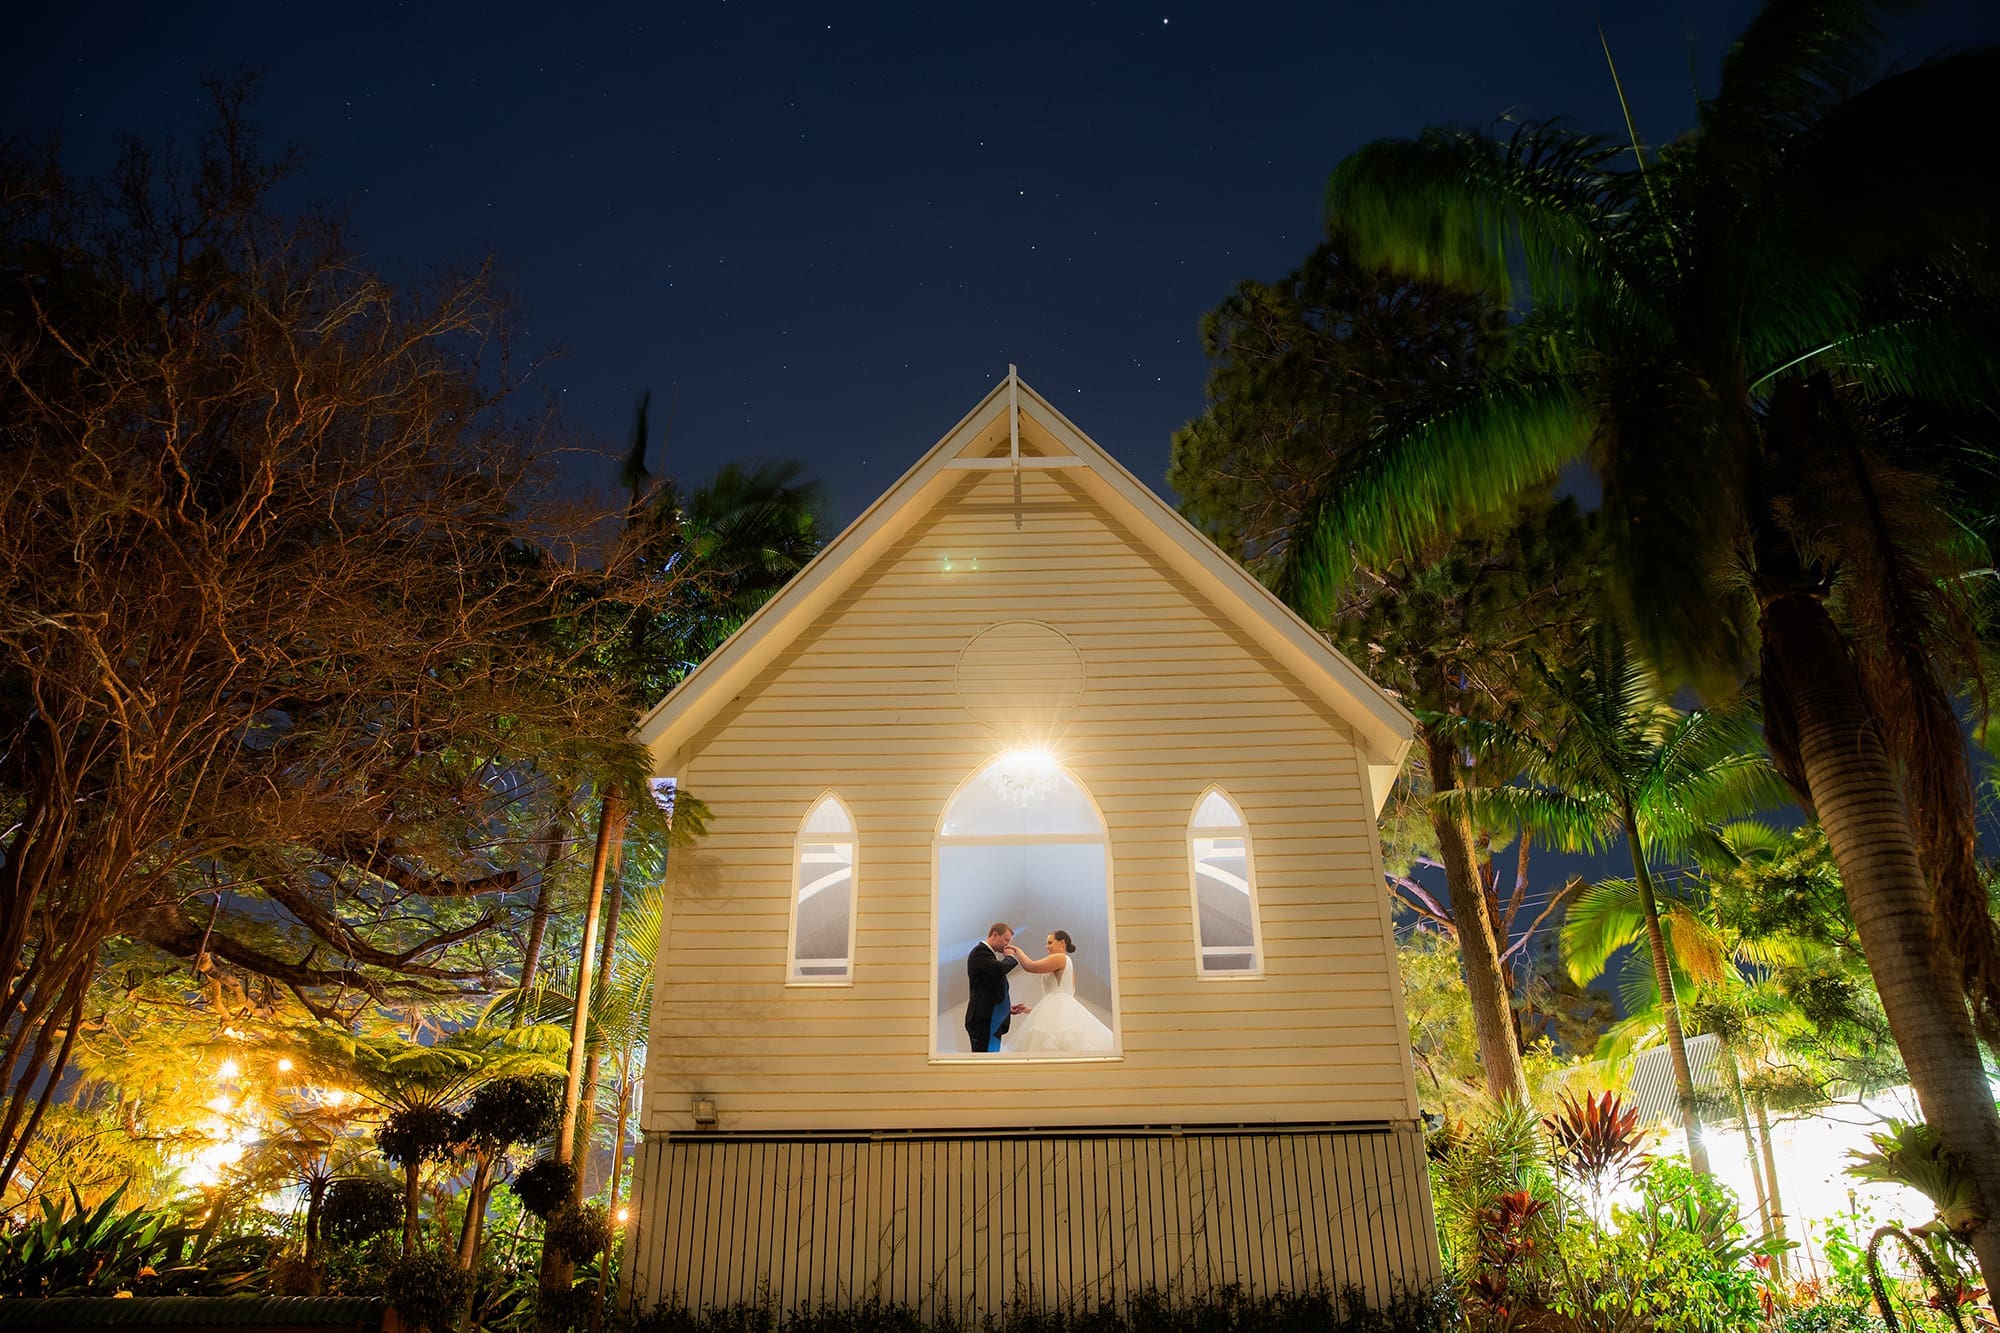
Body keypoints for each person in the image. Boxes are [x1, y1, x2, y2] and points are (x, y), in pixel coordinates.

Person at [1003, 930, 1115, 1054]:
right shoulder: (1067, 965)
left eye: (1050, 943)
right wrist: (1029, 1010)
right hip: (1060, 1012)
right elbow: (1057, 1005)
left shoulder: (1060, 958)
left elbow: (1031, 967)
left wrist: (1018, 952)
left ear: (1061, 943)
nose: (1047, 947)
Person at [963, 922, 1027, 1053]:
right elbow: (999, 969)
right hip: (984, 1021)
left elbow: (991, 989)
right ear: (995, 934)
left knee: (991, 1058)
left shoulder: (989, 956)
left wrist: (1006, 1008)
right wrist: (1009, 956)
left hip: (992, 1019)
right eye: (1006, 940)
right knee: (984, 1062)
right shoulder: (980, 952)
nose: (1007, 944)